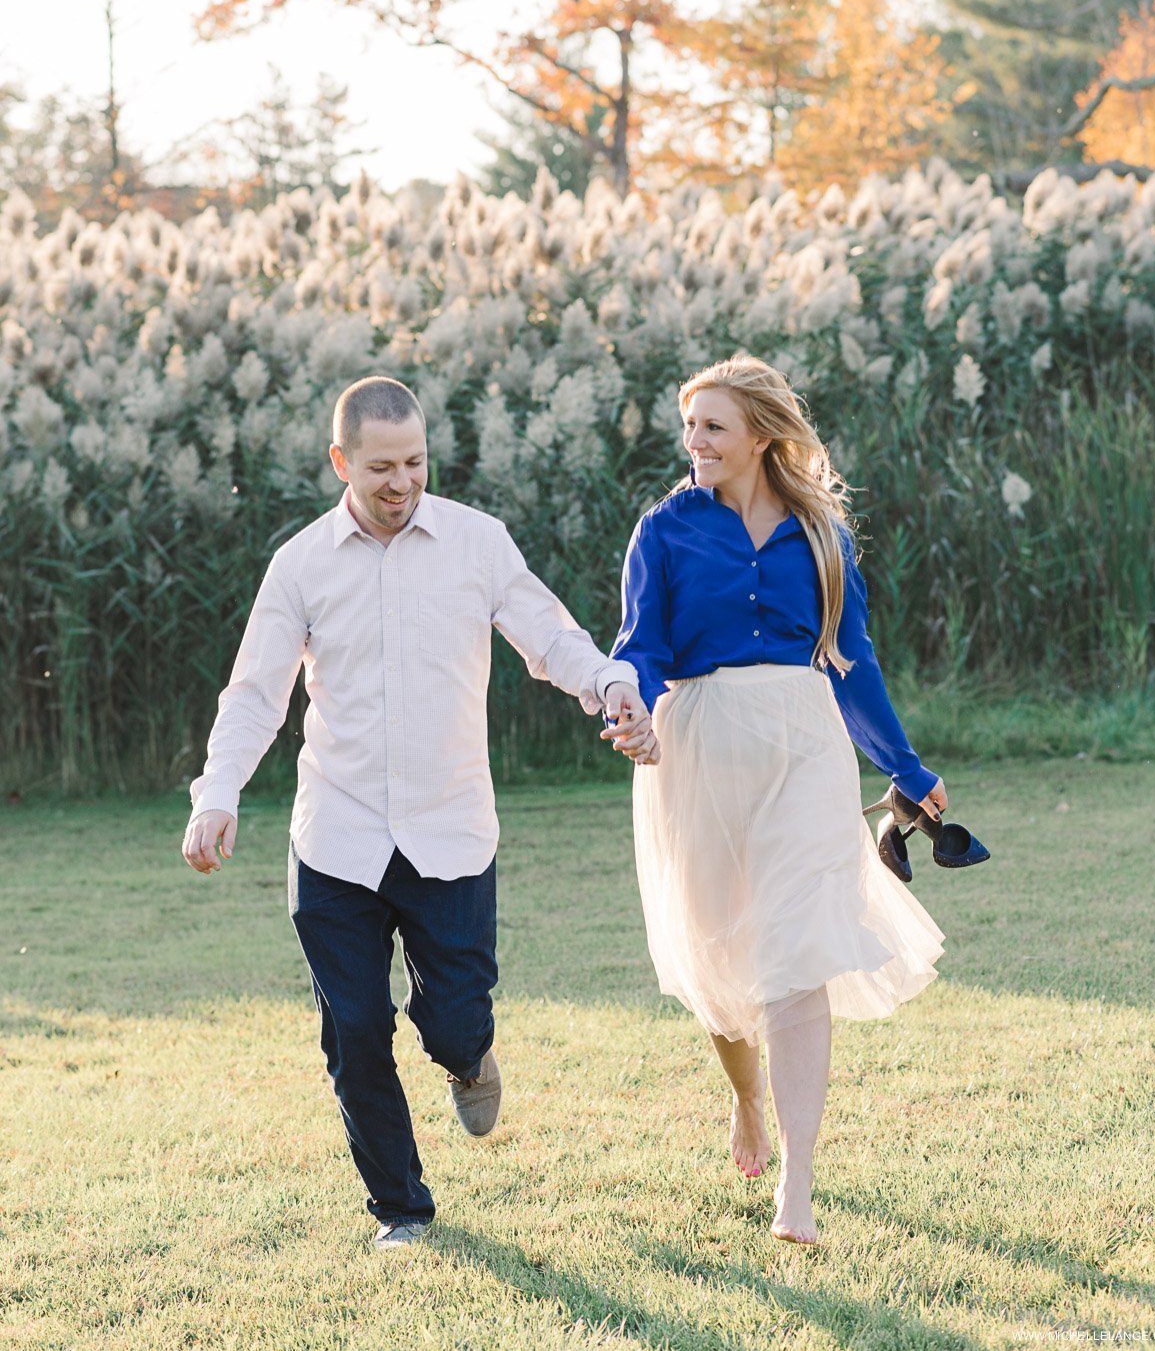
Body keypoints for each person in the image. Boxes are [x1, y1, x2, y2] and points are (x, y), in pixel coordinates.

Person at [181, 375, 654, 1250]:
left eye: (415, 463)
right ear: (341, 462)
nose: (401, 483)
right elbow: (255, 694)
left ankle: (469, 1056)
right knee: (355, 1031)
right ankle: (401, 1208)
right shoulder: (301, 565)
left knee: (454, 1018)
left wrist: (612, 686)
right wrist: (217, 794)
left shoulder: (477, 544)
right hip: (338, 839)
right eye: (380, 468)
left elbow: (550, 638)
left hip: (451, 830)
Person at [603, 352, 947, 1246]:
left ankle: (798, 1183)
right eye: (690, 427)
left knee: (796, 958)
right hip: (702, 746)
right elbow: (639, 646)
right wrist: (628, 702)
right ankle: (745, 1099)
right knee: (720, 956)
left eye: (713, 426)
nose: (696, 442)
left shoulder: (823, 533)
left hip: (805, 742)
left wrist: (906, 768)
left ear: (760, 433)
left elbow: (853, 662)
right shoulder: (664, 530)